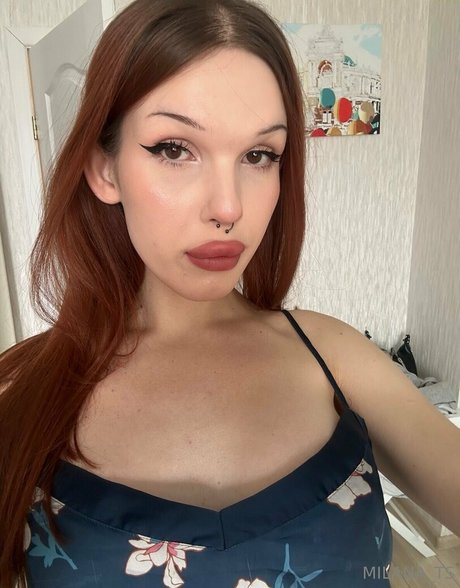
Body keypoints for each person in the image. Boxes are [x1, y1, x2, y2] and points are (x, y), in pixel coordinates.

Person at [0, 0, 459, 586]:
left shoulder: (334, 357)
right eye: (174, 149)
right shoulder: (20, 393)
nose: (228, 207)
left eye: (259, 155)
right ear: (104, 170)